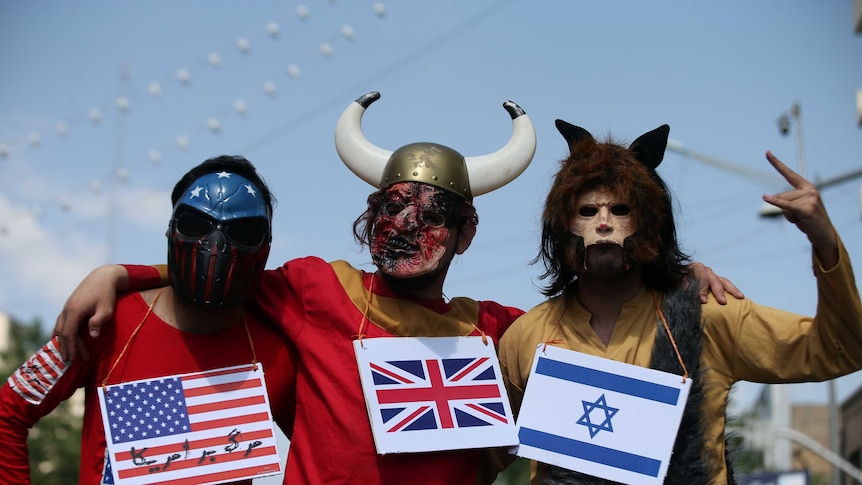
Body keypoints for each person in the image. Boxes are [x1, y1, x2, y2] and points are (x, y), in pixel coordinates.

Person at [52, 93, 737, 485]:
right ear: (368, 217)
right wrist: (121, 272)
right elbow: (219, 259)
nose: (406, 225)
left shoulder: (501, 329)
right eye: (390, 207)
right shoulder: (313, 287)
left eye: (432, 213)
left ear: (466, 233)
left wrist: (673, 278)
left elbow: (599, 314)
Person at [497, 120, 862, 484]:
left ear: (650, 221)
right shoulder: (528, 337)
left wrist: (826, 243)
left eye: (621, 209)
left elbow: (842, 348)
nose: (604, 223)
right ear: (562, 225)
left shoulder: (708, 316)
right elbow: (477, 452)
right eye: (587, 211)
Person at [0, 155, 297, 484]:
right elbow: (7, 414)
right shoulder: (105, 323)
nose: (216, 246)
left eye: (242, 231)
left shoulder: (276, 355)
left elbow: (325, 453)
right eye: (196, 225)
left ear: (266, 246)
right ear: (171, 230)